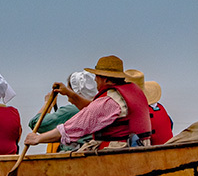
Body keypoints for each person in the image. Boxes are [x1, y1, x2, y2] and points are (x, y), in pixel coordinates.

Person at [23, 56, 151, 150]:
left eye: (97, 76)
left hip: (118, 152)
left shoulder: (108, 102)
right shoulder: (131, 92)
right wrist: (70, 93)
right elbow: (92, 109)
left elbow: (73, 128)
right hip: (139, 148)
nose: (95, 80)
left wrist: (38, 139)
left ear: (105, 79)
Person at [143, 80, 174, 146]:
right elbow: (171, 123)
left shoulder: (145, 110)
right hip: (169, 143)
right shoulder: (160, 106)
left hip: (156, 146)